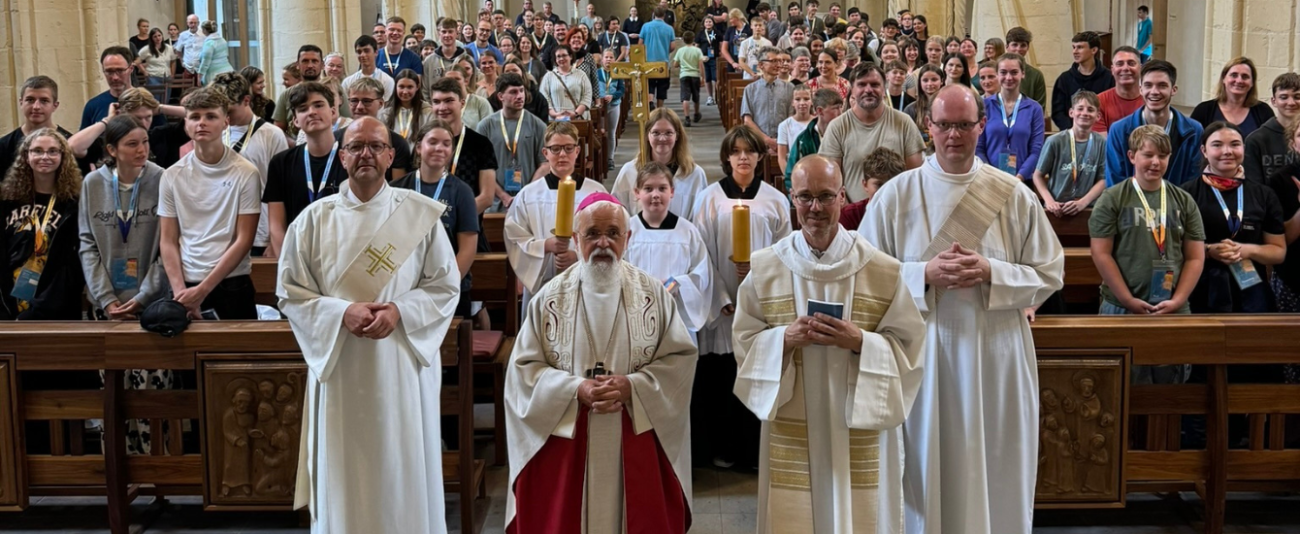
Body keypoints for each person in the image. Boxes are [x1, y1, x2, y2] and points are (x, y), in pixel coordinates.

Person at [858, 84, 1065, 534]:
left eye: (965, 125)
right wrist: (923, 275)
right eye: (945, 125)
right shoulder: (896, 195)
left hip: (998, 352)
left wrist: (992, 271)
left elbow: (1050, 273)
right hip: (924, 353)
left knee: (996, 458)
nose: (955, 135)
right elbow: (866, 282)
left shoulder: (1012, 194)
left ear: (981, 126)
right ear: (928, 127)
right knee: (928, 463)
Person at [277, 117, 460, 534]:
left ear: (391, 156)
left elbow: (445, 287)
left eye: (376, 146)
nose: (366, 154)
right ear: (342, 157)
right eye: (356, 146)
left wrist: (399, 311)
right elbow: (290, 292)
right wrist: (340, 313)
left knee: (400, 463)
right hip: (340, 366)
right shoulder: (312, 220)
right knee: (346, 469)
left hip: (400, 363)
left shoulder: (419, 217)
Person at [733, 153, 925, 533]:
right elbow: (743, 339)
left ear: (843, 196)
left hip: (858, 416)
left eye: (825, 196)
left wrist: (861, 343)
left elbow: (910, 347)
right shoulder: (768, 266)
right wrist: (783, 340)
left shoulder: (882, 269)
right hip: (793, 417)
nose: (815, 208)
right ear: (792, 197)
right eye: (805, 197)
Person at [504, 191, 696, 534]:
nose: (603, 242)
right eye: (592, 234)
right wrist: (574, 388)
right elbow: (523, 372)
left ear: (628, 238)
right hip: (569, 444)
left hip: (634, 438)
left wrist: (632, 387)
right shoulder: (548, 299)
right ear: (576, 239)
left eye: (613, 233)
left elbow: (679, 361)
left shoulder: (654, 296)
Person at [690, 125, 792, 469]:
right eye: (736, 152)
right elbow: (699, 253)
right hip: (721, 306)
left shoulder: (776, 200)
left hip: (759, 303)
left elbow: (784, 253)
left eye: (750, 151)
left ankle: (752, 451)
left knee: (755, 374)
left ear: (760, 157)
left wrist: (758, 278)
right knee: (720, 377)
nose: (744, 157)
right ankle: (721, 447)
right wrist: (721, 295)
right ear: (727, 157)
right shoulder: (709, 198)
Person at [78, 115, 171, 452]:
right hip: (108, 304)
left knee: (151, 393)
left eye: (144, 142)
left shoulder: (162, 179)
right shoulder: (93, 184)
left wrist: (146, 294)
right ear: (112, 149)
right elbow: (87, 243)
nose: (141, 150)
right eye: (132, 144)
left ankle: (157, 470)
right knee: (113, 394)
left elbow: (169, 246)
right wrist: (105, 298)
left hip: (151, 304)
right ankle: (118, 468)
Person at [1090, 125, 1206, 361]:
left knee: (1170, 383)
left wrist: (1179, 299)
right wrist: (1127, 299)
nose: (1156, 162)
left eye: (1162, 156)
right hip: (1122, 304)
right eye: (1148, 155)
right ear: (1132, 156)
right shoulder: (1113, 198)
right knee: (1122, 381)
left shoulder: (1183, 200)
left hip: (1173, 304)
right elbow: (1101, 254)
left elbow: (1195, 256)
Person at [160, 88, 261, 321]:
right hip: (184, 283)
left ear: (226, 121)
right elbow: (167, 240)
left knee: (237, 356)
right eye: (195, 117)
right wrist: (180, 294)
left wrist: (203, 291)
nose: (202, 123)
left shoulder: (246, 172)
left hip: (230, 282)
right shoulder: (172, 175)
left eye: (210, 116)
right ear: (186, 123)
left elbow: (244, 239)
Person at [504, 121, 608, 313]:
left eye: (568, 148)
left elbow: (608, 238)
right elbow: (514, 236)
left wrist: (578, 257)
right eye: (556, 149)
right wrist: (545, 246)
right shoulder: (529, 195)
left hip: (584, 284)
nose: (562, 154)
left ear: (578, 151)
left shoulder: (596, 193)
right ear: (545, 153)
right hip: (542, 286)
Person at [1183, 122, 1286, 313]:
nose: (1227, 151)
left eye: (1235, 144)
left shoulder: (1263, 195)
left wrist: (1246, 250)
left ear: (1244, 149)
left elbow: (1278, 252)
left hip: (1252, 292)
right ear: (1204, 151)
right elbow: (1175, 246)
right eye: (1217, 145)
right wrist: (1207, 250)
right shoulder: (1186, 194)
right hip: (1200, 290)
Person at [391, 120, 481, 317]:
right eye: (432, 142)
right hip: (404, 289)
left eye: (446, 143)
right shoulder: (397, 189)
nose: (439, 148)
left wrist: (445, 285)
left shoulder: (462, 191)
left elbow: (467, 248)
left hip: (449, 288)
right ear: (418, 148)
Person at [624, 162, 713, 344]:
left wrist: (671, 286)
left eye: (662, 188)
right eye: (648, 189)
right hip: (636, 314)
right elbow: (618, 271)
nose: (655, 195)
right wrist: (646, 289)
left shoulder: (687, 231)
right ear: (636, 193)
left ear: (671, 192)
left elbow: (701, 275)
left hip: (677, 316)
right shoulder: (627, 231)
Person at [0, 129, 83, 320]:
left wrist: (41, 308)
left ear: (63, 157)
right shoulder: (8, 200)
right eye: (37, 151)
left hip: (56, 307)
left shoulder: (74, 204)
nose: (45, 156)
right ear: (26, 156)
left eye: (53, 151)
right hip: (8, 304)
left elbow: (72, 266)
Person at [210, 72, 289, 258]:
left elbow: (282, 189)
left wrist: (274, 237)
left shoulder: (272, 134)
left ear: (246, 100)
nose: (225, 118)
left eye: (229, 112)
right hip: (222, 232)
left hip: (260, 232)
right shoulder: (215, 132)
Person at [820, 62, 925, 202]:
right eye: (862, 84)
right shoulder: (837, 127)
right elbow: (831, 182)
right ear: (852, 89)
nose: (868, 90)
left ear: (884, 88)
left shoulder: (903, 123)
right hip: (853, 217)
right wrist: (850, 215)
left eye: (875, 84)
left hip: (897, 212)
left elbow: (915, 177)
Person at [265, 82, 347, 256]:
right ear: (295, 120)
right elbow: (276, 226)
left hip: (343, 254)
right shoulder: (281, 163)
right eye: (303, 109)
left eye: (318, 105)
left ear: (332, 112)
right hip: (297, 255)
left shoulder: (351, 159)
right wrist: (287, 264)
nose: (311, 112)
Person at [1106, 60, 1204, 187]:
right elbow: (1116, 184)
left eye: (1162, 85)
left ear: (1173, 90)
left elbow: (1193, 183)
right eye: (1148, 85)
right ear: (1140, 89)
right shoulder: (1119, 130)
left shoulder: (1194, 131)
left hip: (1178, 205)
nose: (1154, 92)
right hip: (1131, 205)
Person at [611, 109, 708, 220]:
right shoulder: (630, 171)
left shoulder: (694, 174)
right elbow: (616, 212)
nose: (662, 138)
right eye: (656, 133)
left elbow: (702, 219)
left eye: (668, 133)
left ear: (677, 135)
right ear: (647, 135)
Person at [427, 76, 497, 215]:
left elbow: (487, 198)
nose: (442, 107)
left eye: (449, 101)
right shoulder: (424, 143)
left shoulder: (481, 144)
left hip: (468, 230)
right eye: (436, 102)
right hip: (430, 229)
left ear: (462, 103)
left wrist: (456, 219)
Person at [478, 73, 548, 210]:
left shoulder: (538, 125)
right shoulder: (485, 126)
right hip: (494, 201)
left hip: (529, 201)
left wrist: (525, 193)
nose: (520, 96)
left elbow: (545, 165)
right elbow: (482, 169)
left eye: (522, 91)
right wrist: (504, 196)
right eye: (513, 92)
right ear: (500, 96)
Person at [1034, 90, 1107, 217]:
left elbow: (1103, 179)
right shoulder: (1055, 141)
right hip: (1057, 208)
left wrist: (1084, 202)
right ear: (1071, 112)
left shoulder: (1102, 143)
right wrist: (1049, 201)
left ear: (1098, 116)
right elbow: (1038, 176)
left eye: (1090, 110)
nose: (1085, 113)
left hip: (1087, 208)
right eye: (1080, 108)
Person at [977, 53, 1045, 183]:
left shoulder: (1034, 108)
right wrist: (991, 175)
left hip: (1023, 181)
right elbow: (978, 148)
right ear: (997, 74)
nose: (1008, 77)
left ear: (1022, 74)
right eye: (1003, 72)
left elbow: (1036, 150)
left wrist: (1019, 177)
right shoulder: (984, 106)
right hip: (990, 180)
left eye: (1014, 72)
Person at [0, 76, 72, 180]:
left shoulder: (69, 143)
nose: (36, 106)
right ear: (21, 103)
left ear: (55, 105)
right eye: (30, 100)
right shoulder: (4, 147)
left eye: (44, 101)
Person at [83, 47, 166, 130]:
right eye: (109, 71)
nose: (115, 77)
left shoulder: (146, 101)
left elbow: (163, 138)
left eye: (120, 71)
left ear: (131, 69)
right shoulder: (93, 106)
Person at [1191, 57, 1275, 138]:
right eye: (1234, 75)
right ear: (1224, 79)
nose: (1239, 81)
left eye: (1245, 76)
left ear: (1252, 82)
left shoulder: (1263, 111)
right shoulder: (1203, 110)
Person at [1050, 32, 1114, 131]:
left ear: (1094, 50)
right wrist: (1074, 130)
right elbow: (1058, 112)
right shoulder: (1064, 79)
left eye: (1080, 47)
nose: (1075, 51)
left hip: (1101, 135)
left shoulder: (1109, 78)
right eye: (1073, 47)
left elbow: (1111, 110)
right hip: (1072, 134)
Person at [1246, 73, 1300, 182]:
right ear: (1274, 101)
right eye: (1283, 97)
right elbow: (1253, 187)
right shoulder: (1256, 140)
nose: (1291, 103)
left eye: (1297, 97)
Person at [787, 88, 845, 187]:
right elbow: (791, 175)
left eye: (841, 107)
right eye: (835, 108)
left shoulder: (845, 134)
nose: (841, 113)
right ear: (820, 111)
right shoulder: (804, 140)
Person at [741, 47, 796, 153]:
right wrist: (768, 140)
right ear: (761, 65)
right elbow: (747, 121)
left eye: (779, 61)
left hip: (784, 142)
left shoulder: (789, 88)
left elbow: (791, 117)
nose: (778, 64)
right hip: (757, 142)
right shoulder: (750, 89)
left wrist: (780, 141)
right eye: (773, 61)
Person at [838, 147, 904, 230]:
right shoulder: (849, 216)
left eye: (892, 184)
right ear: (865, 185)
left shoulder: (910, 213)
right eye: (879, 185)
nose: (886, 190)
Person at [273, 46, 326, 132]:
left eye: (314, 61)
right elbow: (277, 131)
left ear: (322, 65)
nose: (310, 65)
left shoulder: (335, 91)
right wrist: (296, 144)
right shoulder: (286, 95)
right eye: (305, 61)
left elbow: (345, 123)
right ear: (297, 65)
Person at [1094, 46, 1144, 135]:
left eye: (1131, 63)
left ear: (1140, 68)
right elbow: (1102, 144)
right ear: (1112, 70)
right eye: (1120, 64)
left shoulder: (1150, 100)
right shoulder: (1098, 101)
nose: (1125, 68)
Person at [378, 70, 434, 145]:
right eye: (401, 87)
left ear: (417, 87)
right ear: (396, 87)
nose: (405, 92)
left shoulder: (428, 111)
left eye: (410, 87)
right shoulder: (386, 113)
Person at [540, 45, 593, 120]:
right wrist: (555, 114)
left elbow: (587, 96)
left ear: (570, 56)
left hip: (578, 119)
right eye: (558, 56)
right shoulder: (549, 76)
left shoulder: (581, 75)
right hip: (555, 120)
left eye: (564, 55)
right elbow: (544, 98)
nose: (561, 58)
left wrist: (575, 113)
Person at [1004, 27, 1047, 112]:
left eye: (1023, 45)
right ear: (1007, 47)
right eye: (1015, 44)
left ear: (1028, 47)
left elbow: (1039, 108)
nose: (1018, 49)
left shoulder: (1036, 75)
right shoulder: (996, 71)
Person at [641, 7, 676, 109]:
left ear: (653, 14)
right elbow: (673, 46)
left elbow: (640, 44)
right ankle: (660, 109)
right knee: (662, 87)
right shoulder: (669, 28)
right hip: (663, 62)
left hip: (648, 61)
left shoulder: (646, 26)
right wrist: (665, 50)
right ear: (664, 15)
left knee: (650, 85)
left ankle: (650, 102)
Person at [777, 85, 815, 181]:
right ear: (792, 103)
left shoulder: (818, 123)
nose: (802, 103)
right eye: (798, 99)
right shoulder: (784, 126)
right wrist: (791, 178)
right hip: (794, 170)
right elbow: (781, 158)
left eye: (806, 99)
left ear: (812, 102)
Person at [595, 49, 625, 170]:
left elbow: (621, 90)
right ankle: (600, 158)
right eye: (606, 57)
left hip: (613, 105)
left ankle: (610, 159)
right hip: (600, 107)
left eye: (611, 57)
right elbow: (592, 88)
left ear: (615, 59)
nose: (608, 59)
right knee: (600, 133)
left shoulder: (617, 73)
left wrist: (613, 96)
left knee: (611, 133)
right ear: (602, 60)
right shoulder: (597, 73)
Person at [344, 35, 396, 101]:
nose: (362, 55)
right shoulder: (348, 82)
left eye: (366, 51)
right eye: (359, 52)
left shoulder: (387, 80)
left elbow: (387, 107)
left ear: (376, 52)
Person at [673, 31, 706, 126]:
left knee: (685, 97)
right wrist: (702, 77)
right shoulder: (697, 50)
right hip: (695, 75)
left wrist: (682, 64)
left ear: (683, 40)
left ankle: (687, 118)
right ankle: (696, 114)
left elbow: (675, 64)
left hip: (684, 75)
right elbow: (701, 65)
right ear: (693, 39)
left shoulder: (680, 50)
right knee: (696, 96)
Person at [196, 20, 234, 85]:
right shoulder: (222, 40)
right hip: (228, 71)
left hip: (215, 74)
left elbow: (205, 62)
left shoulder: (209, 43)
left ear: (204, 30)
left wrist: (199, 76)